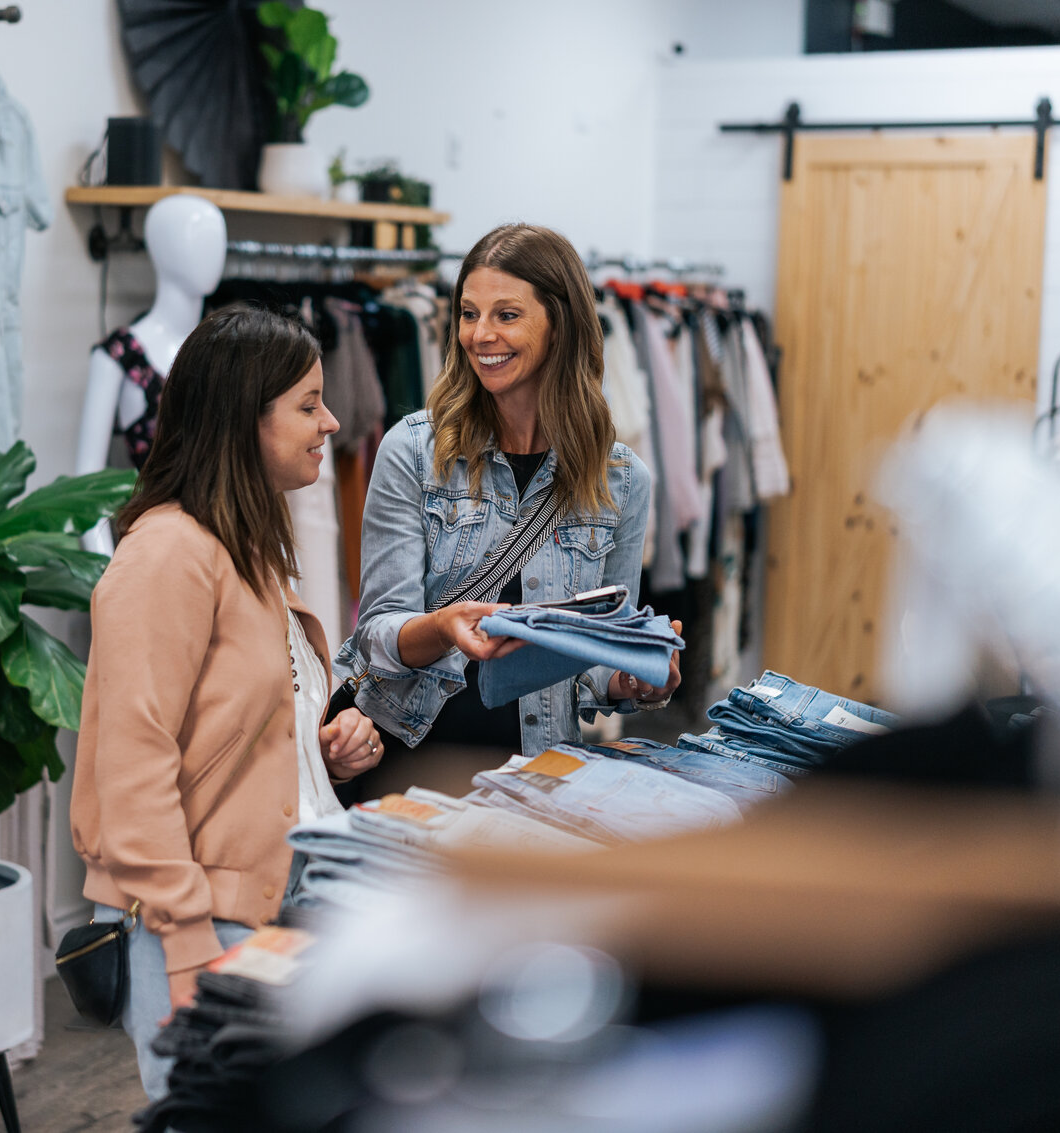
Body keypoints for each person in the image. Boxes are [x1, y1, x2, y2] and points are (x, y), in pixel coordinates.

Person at [69, 304, 383, 1100]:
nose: (332, 421)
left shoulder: (243, 543)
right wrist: (186, 944)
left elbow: (241, 725)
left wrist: (327, 739)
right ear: (244, 420)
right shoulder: (168, 555)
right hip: (211, 919)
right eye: (308, 405)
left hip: (288, 894)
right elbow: (133, 770)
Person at [333, 223, 679, 789]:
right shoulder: (415, 452)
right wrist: (445, 626)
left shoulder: (620, 480)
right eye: (469, 314)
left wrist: (632, 679)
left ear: (560, 326)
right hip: (413, 760)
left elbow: (591, 658)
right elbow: (378, 632)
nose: (480, 335)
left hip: (536, 776)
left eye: (507, 315)